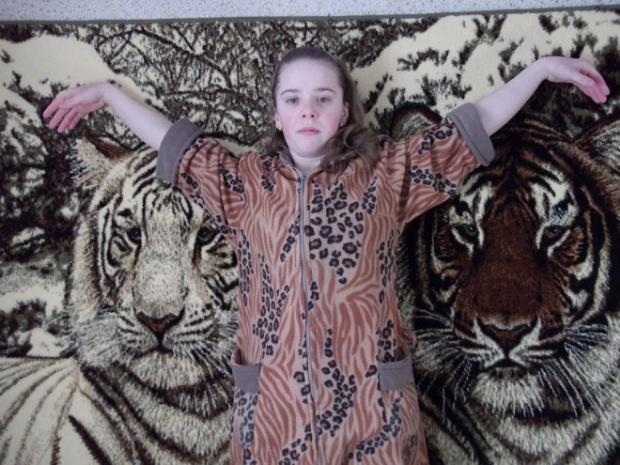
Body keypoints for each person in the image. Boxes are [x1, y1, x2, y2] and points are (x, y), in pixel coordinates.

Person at [44, 46, 609, 465]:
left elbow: (471, 128)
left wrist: (538, 72)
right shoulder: (241, 183)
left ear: (343, 113)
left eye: (323, 98)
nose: (307, 110)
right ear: (277, 115)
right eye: (292, 99)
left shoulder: (389, 175)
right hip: (272, 417)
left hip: (374, 417)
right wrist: (110, 97)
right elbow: (174, 144)